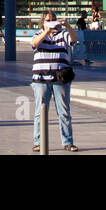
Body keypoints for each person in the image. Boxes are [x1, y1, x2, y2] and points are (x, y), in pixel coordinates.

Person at [30, 10, 77, 152]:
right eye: (47, 20)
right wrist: (46, 31)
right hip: (41, 79)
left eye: (53, 19)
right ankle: (38, 142)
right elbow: (35, 43)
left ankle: (68, 142)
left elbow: (73, 39)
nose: (51, 22)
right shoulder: (38, 34)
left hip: (60, 78)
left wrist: (67, 25)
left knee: (64, 111)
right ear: (43, 22)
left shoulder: (63, 35)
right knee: (40, 111)